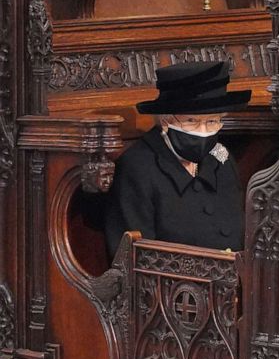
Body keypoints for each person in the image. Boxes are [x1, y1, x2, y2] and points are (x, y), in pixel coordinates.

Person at [104, 61, 251, 256]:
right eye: (192, 121)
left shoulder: (221, 159)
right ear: (166, 121)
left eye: (212, 121)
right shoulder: (138, 168)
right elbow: (133, 258)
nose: (203, 132)